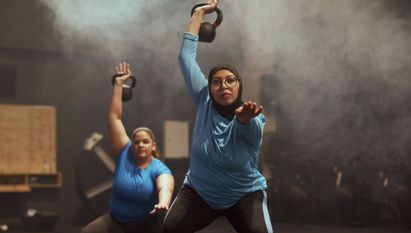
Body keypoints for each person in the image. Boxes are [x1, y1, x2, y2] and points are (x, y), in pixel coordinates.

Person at [162, 1, 273, 232]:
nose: (224, 86)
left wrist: (244, 119)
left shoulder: (253, 119)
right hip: (200, 192)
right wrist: (199, 14)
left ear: (239, 86)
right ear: (209, 87)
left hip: (245, 195)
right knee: (170, 228)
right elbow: (186, 58)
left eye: (230, 80)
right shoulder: (204, 100)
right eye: (216, 81)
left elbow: (248, 126)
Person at [81, 62, 175, 233]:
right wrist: (118, 85)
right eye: (136, 142)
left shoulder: (159, 169)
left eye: (145, 142)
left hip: (145, 226)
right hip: (115, 222)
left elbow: (166, 186)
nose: (140, 145)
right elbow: (115, 117)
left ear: (153, 146)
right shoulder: (125, 152)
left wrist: (163, 202)